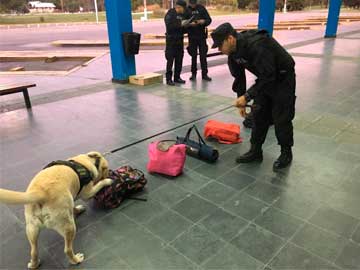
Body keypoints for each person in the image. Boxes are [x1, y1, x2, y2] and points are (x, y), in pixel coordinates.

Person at [211, 23, 296, 171]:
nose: (219, 49)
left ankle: (286, 153)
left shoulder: (257, 44)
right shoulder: (233, 53)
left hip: (282, 78)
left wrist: (248, 96)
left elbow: (270, 75)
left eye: (220, 45)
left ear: (230, 39)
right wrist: (241, 99)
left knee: (281, 117)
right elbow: (239, 77)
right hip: (265, 79)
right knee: (259, 115)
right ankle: (256, 151)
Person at [186, 0, 212, 81]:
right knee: (193, 56)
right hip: (192, 36)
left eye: (194, 4)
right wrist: (190, 24)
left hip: (201, 36)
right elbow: (182, 23)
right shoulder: (186, 10)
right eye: (191, 4)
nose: (193, 5)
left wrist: (203, 21)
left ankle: (205, 74)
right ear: (189, 3)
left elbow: (209, 20)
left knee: (203, 56)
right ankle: (193, 74)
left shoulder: (201, 8)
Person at [164, 0, 188, 86]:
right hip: (171, 40)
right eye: (183, 8)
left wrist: (187, 26)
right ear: (178, 7)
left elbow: (183, 29)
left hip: (179, 40)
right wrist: (180, 24)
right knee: (170, 60)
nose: (184, 10)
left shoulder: (182, 15)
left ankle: (177, 77)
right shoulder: (170, 14)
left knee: (179, 59)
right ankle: (169, 79)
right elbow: (169, 26)